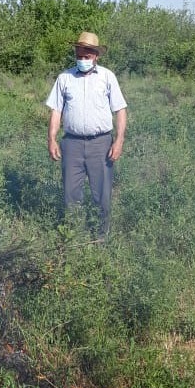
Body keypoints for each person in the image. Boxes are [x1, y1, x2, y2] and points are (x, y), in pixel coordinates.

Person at [46, 31, 127, 237]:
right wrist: (52, 139)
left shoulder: (107, 77)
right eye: (79, 55)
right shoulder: (65, 78)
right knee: (71, 195)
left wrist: (118, 141)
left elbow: (120, 110)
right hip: (71, 144)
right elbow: (56, 110)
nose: (82, 60)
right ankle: (74, 237)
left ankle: (101, 237)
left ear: (96, 55)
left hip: (101, 143)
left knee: (102, 196)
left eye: (87, 56)